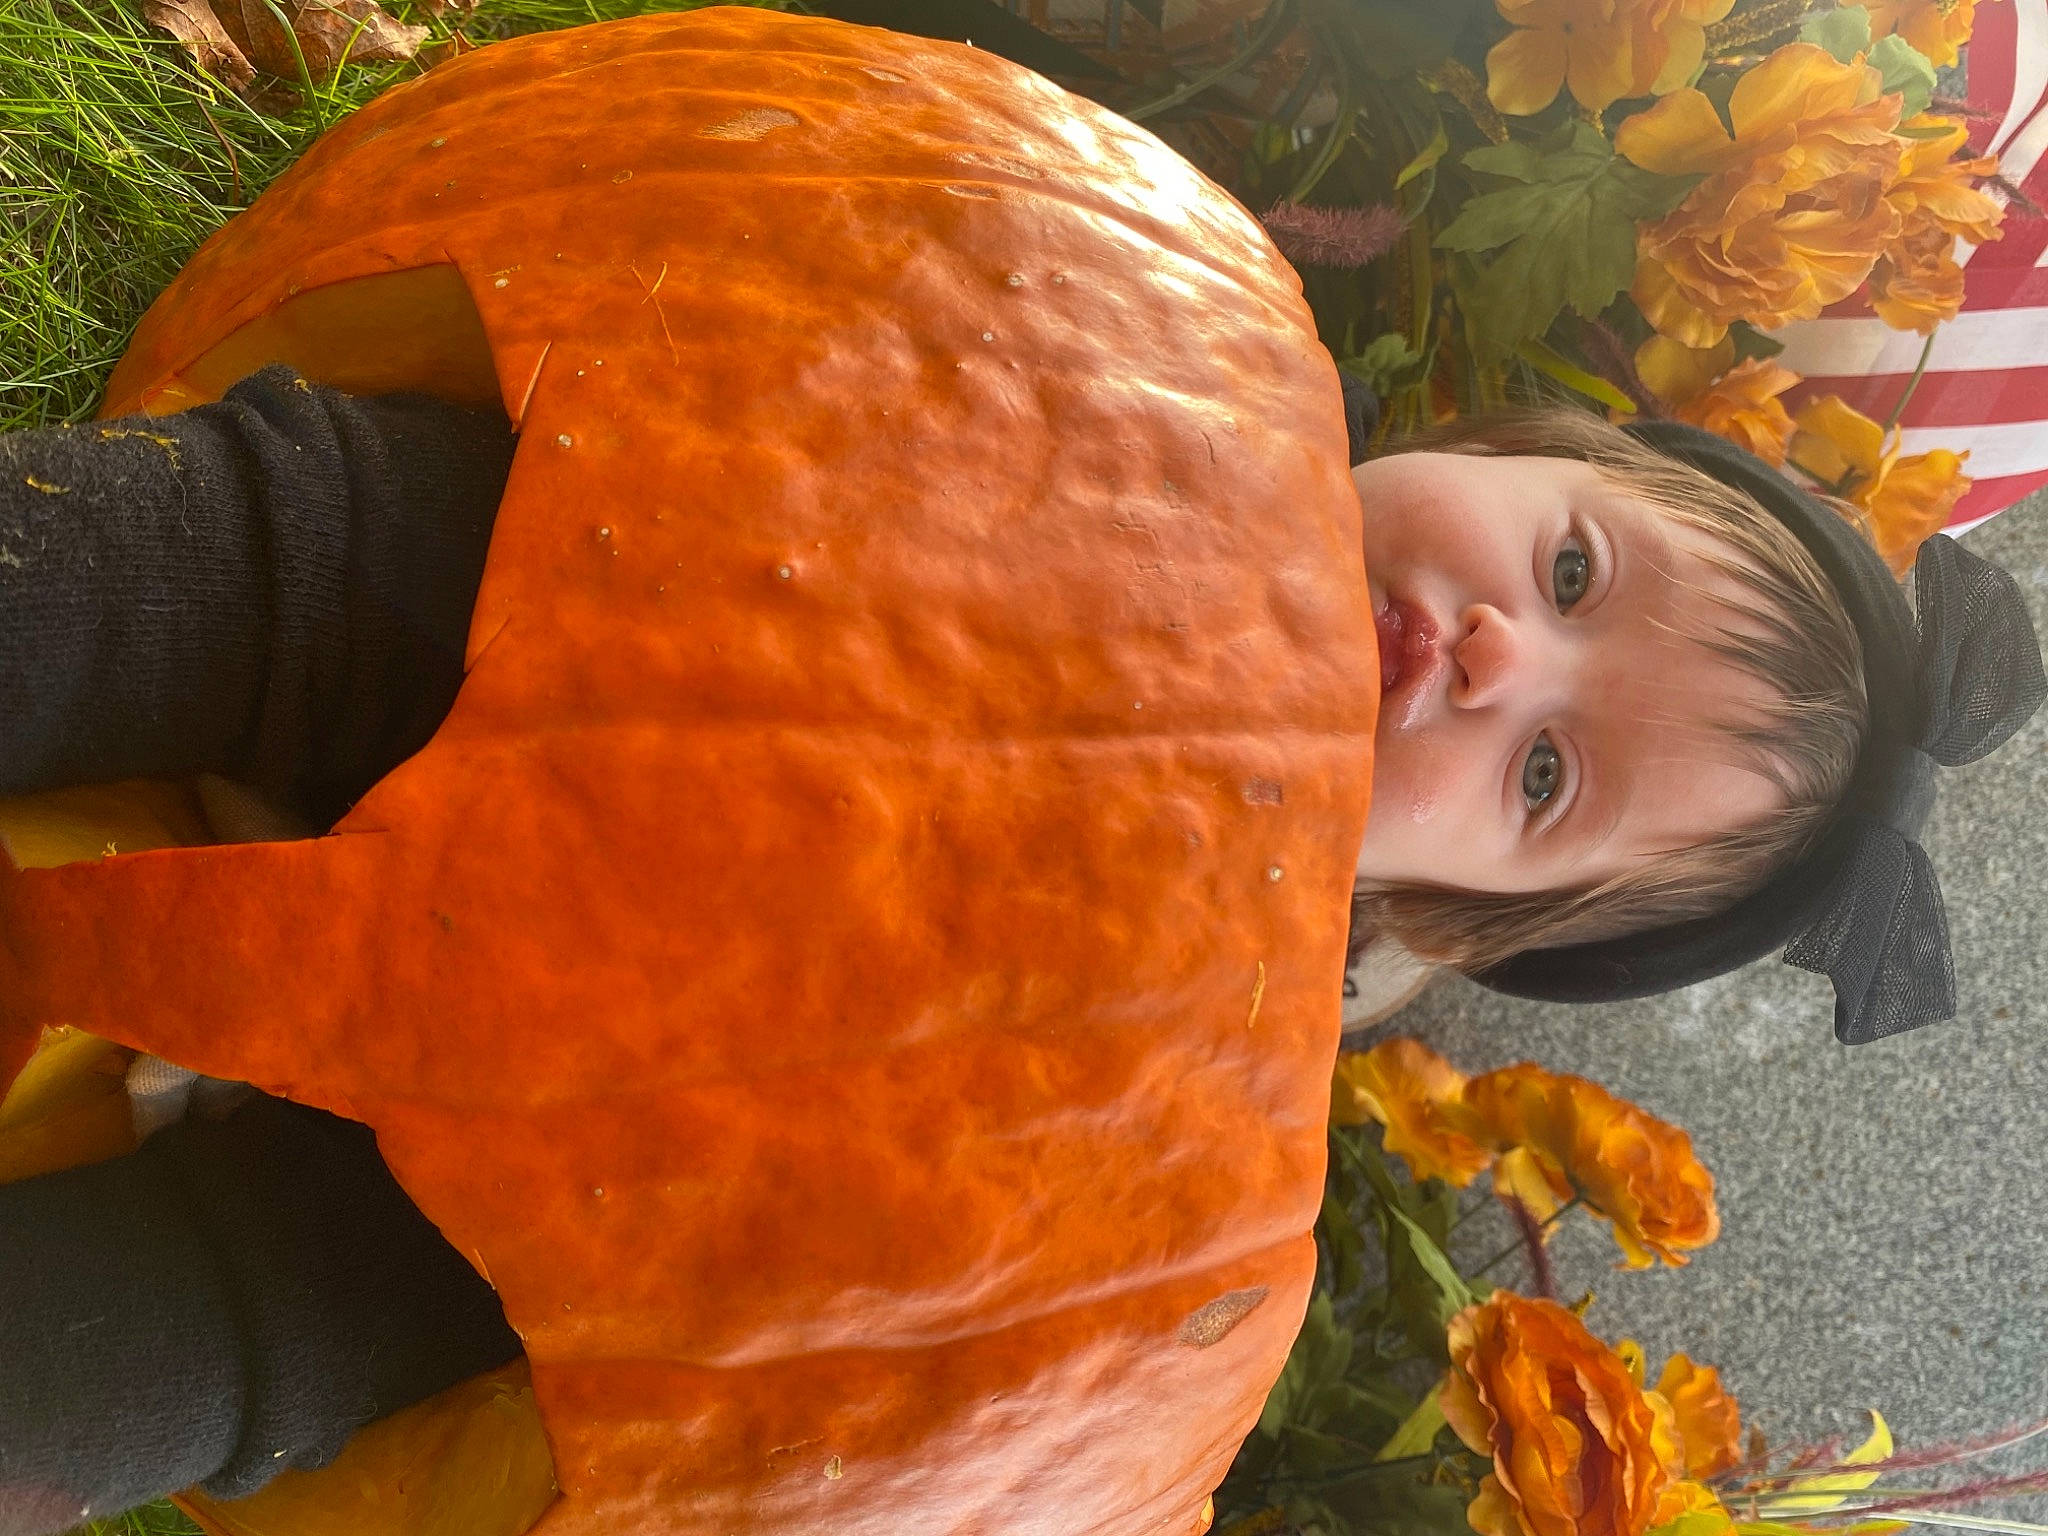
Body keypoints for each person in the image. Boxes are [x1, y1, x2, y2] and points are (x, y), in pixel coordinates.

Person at [0, 361, 2039, 1535]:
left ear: (1440, 922)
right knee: (283, 553)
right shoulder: (1125, 332)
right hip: (577, 577)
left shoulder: (1191, 1098)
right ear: (1510, 443)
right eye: (1572, 567)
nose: (1500, 656)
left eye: (1536, 783)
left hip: (574, 1158)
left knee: (273, 1330)